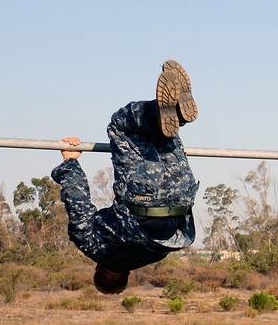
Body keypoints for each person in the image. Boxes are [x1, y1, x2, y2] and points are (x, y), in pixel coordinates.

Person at [52, 60, 200, 294]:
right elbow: (77, 202)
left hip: (181, 191)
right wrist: (70, 161)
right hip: (143, 196)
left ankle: (176, 115)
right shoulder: (94, 247)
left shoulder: (152, 255)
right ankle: (164, 112)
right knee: (122, 126)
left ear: (128, 274)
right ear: (97, 269)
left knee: (162, 136)